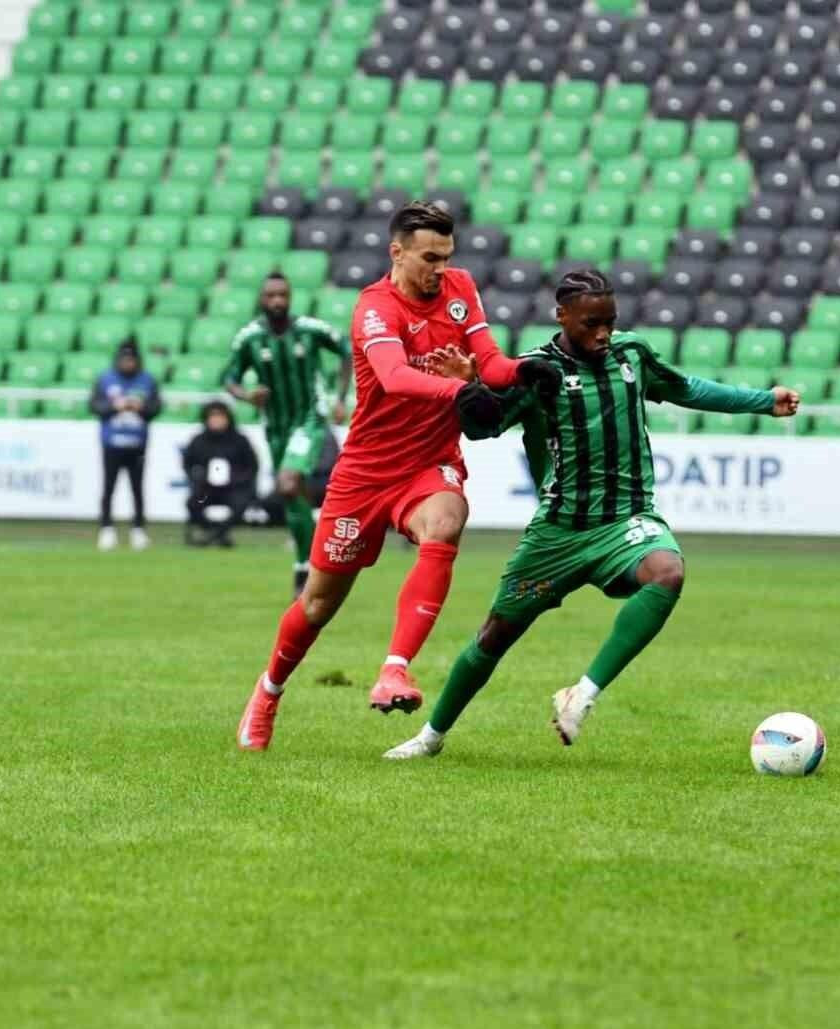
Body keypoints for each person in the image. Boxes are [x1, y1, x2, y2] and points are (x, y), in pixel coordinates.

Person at [384, 269, 800, 759]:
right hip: (558, 532)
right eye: (590, 323)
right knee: (494, 636)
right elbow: (482, 429)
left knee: (667, 573)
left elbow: (686, 388)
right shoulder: (536, 371)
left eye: (609, 321)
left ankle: (581, 694)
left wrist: (762, 402)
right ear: (562, 316)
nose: (603, 333)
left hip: (625, 521)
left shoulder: (632, 354)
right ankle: (430, 737)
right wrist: (469, 388)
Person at [235, 199, 563, 751]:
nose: (440, 269)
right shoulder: (374, 309)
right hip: (364, 473)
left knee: (448, 519)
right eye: (429, 258)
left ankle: (395, 668)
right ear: (397, 252)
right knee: (317, 604)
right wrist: (464, 390)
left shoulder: (460, 289)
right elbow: (393, 376)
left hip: (427, 464)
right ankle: (267, 691)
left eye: (447, 256)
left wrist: (524, 371)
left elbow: (491, 359)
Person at [222, 271, 350, 594]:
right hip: (275, 425)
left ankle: (305, 570)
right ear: (262, 299)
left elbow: (347, 349)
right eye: (271, 296)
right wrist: (247, 395)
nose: (278, 301)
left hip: (309, 418)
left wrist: (339, 397)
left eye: (283, 295)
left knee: (288, 481)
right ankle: (305, 562)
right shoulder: (249, 338)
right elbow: (229, 378)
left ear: (290, 297)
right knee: (292, 495)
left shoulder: (310, 329)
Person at [90, 337, 160, 551]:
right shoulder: (106, 379)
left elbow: (155, 407)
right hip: (112, 442)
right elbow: (95, 406)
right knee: (109, 487)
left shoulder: (147, 380)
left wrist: (140, 408)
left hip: (137, 442)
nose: (128, 363)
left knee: (137, 489)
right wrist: (115, 407)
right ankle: (106, 529)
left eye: (131, 360)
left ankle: (138, 530)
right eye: (124, 359)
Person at [183, 400, 259, 547]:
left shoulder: (240, 440)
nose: (216, 420)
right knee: (193, 503)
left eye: (220, 416)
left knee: (241, 503)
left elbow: (252, 466)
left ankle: (215, 535)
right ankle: (217, 533)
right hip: (207, 489)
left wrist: (237, 479)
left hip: (233, 488)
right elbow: (188, 464)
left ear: (228, 418)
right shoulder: (198, 441)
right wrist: (198, 476)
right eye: (213, 416)